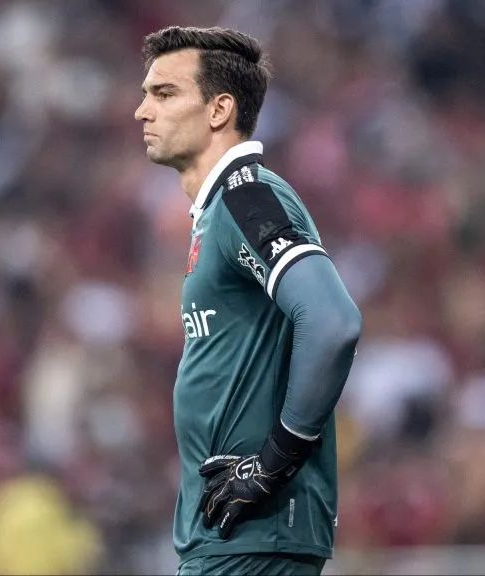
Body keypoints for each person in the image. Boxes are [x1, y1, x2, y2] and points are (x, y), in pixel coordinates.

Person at [134, 26, 363, 576]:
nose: (142, 111)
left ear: (219, 110)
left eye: (164, 93)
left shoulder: (247, 197)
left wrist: (272, 463)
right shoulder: (220, 210)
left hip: (256, 537)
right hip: (235, 539)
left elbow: (332, 322)